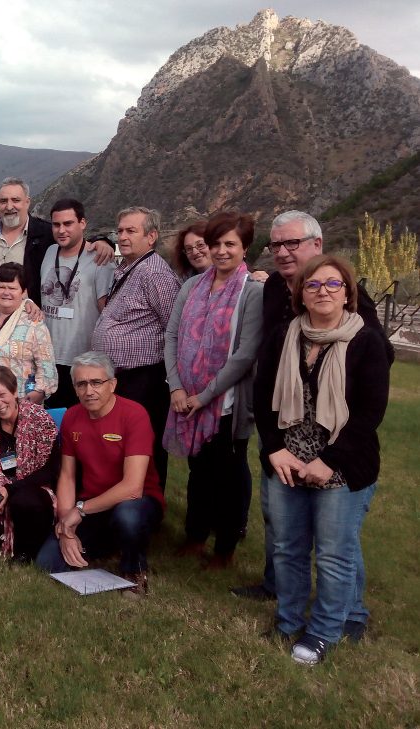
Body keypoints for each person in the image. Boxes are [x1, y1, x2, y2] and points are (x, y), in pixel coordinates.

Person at [232, 210, 394, 602]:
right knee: (278, 516)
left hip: (332, 437)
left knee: (337, 537)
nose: (283, 252)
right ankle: (278, 585)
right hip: (281, 425)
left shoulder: (345, 293)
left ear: (316, 244)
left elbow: (378, 357)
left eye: (293, 243)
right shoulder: (272, 287)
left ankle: (350, 610)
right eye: (276, 245)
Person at [254, 255, 389, 665]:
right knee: (288, 547)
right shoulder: (284, 335)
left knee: (333, 553)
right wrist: (274, 448)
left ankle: (325, 630)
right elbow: (263, 398)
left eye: (333, 284)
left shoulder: (367, 341)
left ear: (348, 293)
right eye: (313, 285)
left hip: (343, 466)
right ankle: (289, 620)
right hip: (286, 462)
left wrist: (327, 461)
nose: (323, 292)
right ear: (300, 294)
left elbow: (370, 412)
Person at [163, 211, 263, 568]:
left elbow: (245, 354)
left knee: (229, 479)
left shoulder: (252, 293)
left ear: (245, 247)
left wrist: (203, 396)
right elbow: (172, 335)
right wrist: (176, 387)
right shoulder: (192, 286)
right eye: (216, 244)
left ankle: (225, 548)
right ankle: (195, 535)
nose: (221, 251)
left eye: (230, 244)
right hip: (185, 399)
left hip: (225, 406)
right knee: (199, 473)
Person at [36, 351, 165, 597]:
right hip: (94, 505)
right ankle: (109, 544)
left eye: (97, 382)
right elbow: (67, 476)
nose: (89, 391)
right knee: (48, 564)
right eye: (81, 384)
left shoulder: (134, 415)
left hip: (137, 503)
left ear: (113, 384)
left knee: (127, 516)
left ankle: (134, 570)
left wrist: (80, 510)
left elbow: (133, 487)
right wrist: (65, 527)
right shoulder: (72, 416)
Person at [91, 206, 181, 490]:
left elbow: (174, 326)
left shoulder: (155, 273)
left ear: (151, 236)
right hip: (123, 377)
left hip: (145, 378)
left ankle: (148, 504)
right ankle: (123, 496)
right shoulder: (129, 267)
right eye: (120, 231)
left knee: (145, 444)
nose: (123, 237)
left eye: (131, 231)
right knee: (122, 442)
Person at [0, 366, 60, 562]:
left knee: (23, 501)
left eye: (2, 394)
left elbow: (51, 471)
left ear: (14, 391)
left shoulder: (39, 419)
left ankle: (24, 551)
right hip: (0, 485)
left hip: (34, 487)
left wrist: (10, 490)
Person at [0, 177, 114, 303]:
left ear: (27, 202)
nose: (9, 206)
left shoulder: (46, 234)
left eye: (16, 200)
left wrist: (102, 241)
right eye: (3, 201)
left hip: (30, 322)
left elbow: (74, 241)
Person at [40, 198, 115, 408]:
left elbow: (106, 312)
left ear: (82, 223)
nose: (61, 230)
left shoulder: (100, 260)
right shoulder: (49, 253)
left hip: (82, 362)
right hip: (48, 359)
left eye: (68, 223)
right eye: (56, 225)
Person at [0, 262, 57, 420]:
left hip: (20, 406)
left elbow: (47, 367)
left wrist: (38, 392)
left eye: (12, 288)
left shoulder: (33, 322)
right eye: (2, 287)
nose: (6, 292)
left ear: (23, 292)